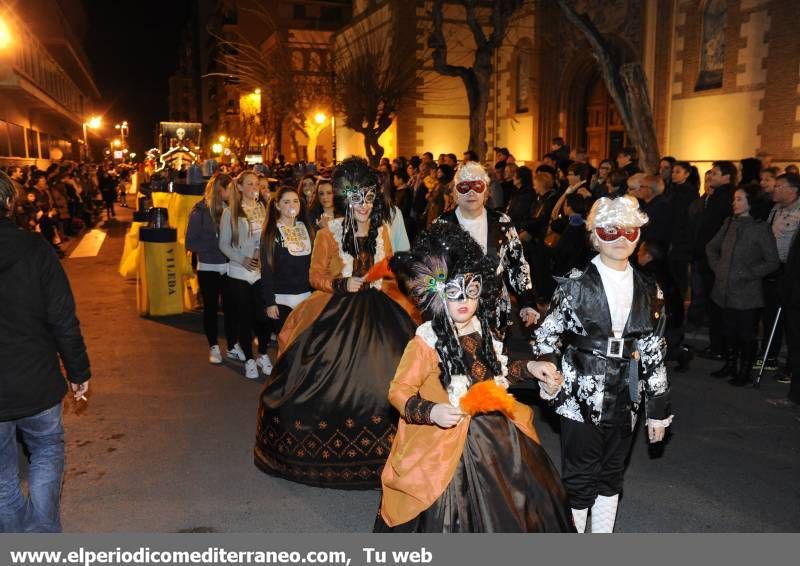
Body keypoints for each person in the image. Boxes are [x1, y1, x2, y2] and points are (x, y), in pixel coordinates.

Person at [375, 222, 574, 532]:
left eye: (472, 289)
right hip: (445, 437)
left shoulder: (484, 331)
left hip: (495, 429)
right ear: (437, 295)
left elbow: (497, 372)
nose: (464, 300)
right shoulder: (426, 342)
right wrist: (431, 411)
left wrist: (532, 368)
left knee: (519, 496)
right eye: (454, 292)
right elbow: (398, 391)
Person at [253, 157, 419, 489]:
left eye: (370, 198)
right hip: (337, 309)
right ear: (347, 199)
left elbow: (389, 270)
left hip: (380, 310)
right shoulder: (329, 231)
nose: (364, 206)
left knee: (394, 374)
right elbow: (314, 276)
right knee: (312, 372)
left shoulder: (383, 230)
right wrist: (341, 284)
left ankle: (396, 455)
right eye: (358, 199)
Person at [532, 195, 672, 533]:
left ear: (638, 234)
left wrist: (657, 409)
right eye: (610, 232)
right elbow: (547, 334)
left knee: (611, 476)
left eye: (628, 231)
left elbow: (654, 348)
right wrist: (548, 367)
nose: (621, 239)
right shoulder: (575, 284)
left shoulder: (649, 288)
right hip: (580, 393)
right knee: (580, 479)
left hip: (628, 393)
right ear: (595, 235)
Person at [0, 172, 90, 532]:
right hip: (37, 380)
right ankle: (42, 536)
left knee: (3, 476)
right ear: (10, 203)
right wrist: (78, 372)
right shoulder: (36, 248)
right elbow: (62, 317)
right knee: (47, 452)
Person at [435, 162, 539, 335]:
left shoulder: (502, 222)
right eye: (463, 187)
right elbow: (431, 272)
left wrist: (527, 302)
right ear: (455, 194)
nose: (471, 192)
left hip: (496, 314)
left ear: (486, 192)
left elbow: (516, 264)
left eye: (477, 186)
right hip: (456, 314)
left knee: (497, 359)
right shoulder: (442, 225)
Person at [706, 184, 779, 385]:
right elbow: (711, 247)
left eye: (739, 199)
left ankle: (745, 371)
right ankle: (730, 365)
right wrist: (718, 267)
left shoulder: (760, 228)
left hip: (747, 293)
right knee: (727, 331)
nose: (734, 203)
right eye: (734, 199)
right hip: (723, 290)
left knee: (746, 334)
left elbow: (772, 261)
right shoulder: (729, 222)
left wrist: (748, 273)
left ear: (750, 202)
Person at [218, 171, 271, 379]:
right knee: (245, 319)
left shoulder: (261, 208)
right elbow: (223, 244)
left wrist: (259, 251)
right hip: (239, 274)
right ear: (239, 187)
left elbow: (265, 237)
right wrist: (242, 258)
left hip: (259, 273)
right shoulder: (229, 212)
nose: (254, 188)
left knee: (264, 318)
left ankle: (263, 354)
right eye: (249, 184)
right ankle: (249, 358)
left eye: (256, 184)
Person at [186, 174, 240, 364]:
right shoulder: (199, 210)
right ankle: (214, 347)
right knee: (210, 308)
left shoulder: (231, 208)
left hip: (229, 266)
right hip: (208, 266)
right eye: (229, 189)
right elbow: (190, 242)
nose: (233, 193)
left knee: (231, 308)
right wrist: (216, 244)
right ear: (220, 189)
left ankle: (233, 346)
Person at [260, 187, 314, 337]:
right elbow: (266, 269)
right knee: (286, 346)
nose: (292, 205)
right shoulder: (272, 232)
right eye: (287, 202)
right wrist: (270, 302)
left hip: (306, 297)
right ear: (277, 205)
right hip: (281, 298)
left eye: (296, 201)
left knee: (304, 343)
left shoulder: (307, 229)